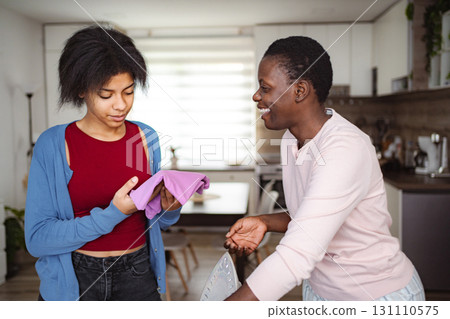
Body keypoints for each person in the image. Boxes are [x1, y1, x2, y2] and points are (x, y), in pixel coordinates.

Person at [224, 36, 425, 301]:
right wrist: (265, 221)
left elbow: (296, 254)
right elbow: (310, 217)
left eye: (265, 87)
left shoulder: (344, 148)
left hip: (375, 295)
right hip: (321, 291)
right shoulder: (290, 139)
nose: (256, 96)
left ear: (300, 91)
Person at [25, 26, 182, 301]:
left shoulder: (145, 138)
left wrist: (169, 209)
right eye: (106, 95)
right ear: (81, 90)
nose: (120, 105)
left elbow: (156, 220)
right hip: (75, 277)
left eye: (129, 92)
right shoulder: (53, 145)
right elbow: (38, 239)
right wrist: (113, 213)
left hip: (137, 272)